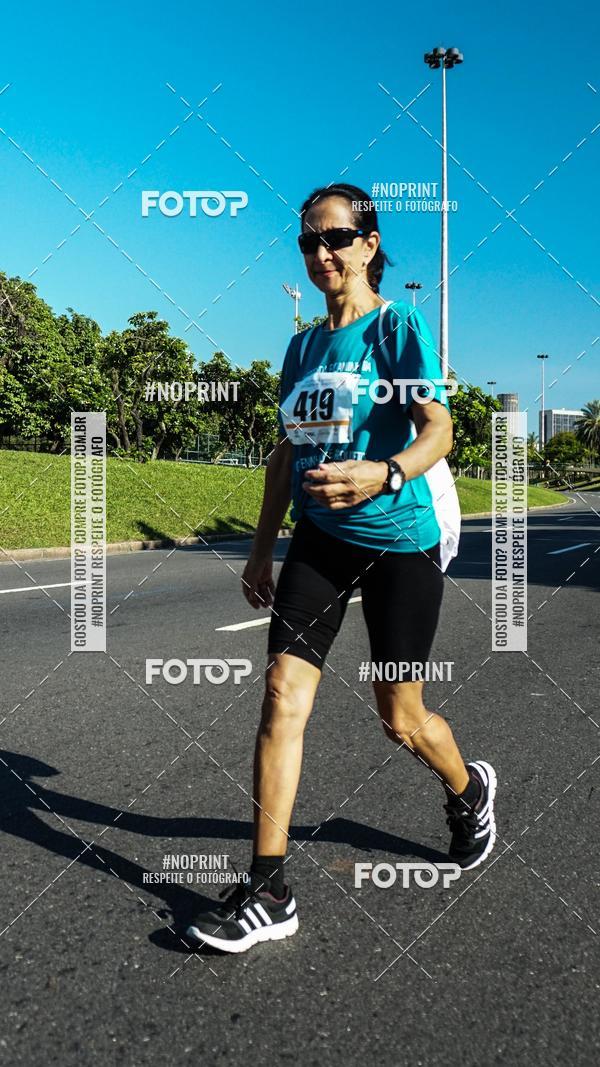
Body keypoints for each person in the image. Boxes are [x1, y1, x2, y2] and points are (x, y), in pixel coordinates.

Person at [186, 182, 497, 954]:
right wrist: (263, 545)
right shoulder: (300, 345)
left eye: (334, 238)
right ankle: (269, 886)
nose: (320, 253)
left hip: (400, 540)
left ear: (368, 242)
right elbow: (286, 452)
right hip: (320, 541)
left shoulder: (397, 325)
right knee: (281, 692)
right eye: (306, 242)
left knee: (400, 717)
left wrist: (385, 473)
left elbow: (439, 430)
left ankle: (470, 788)